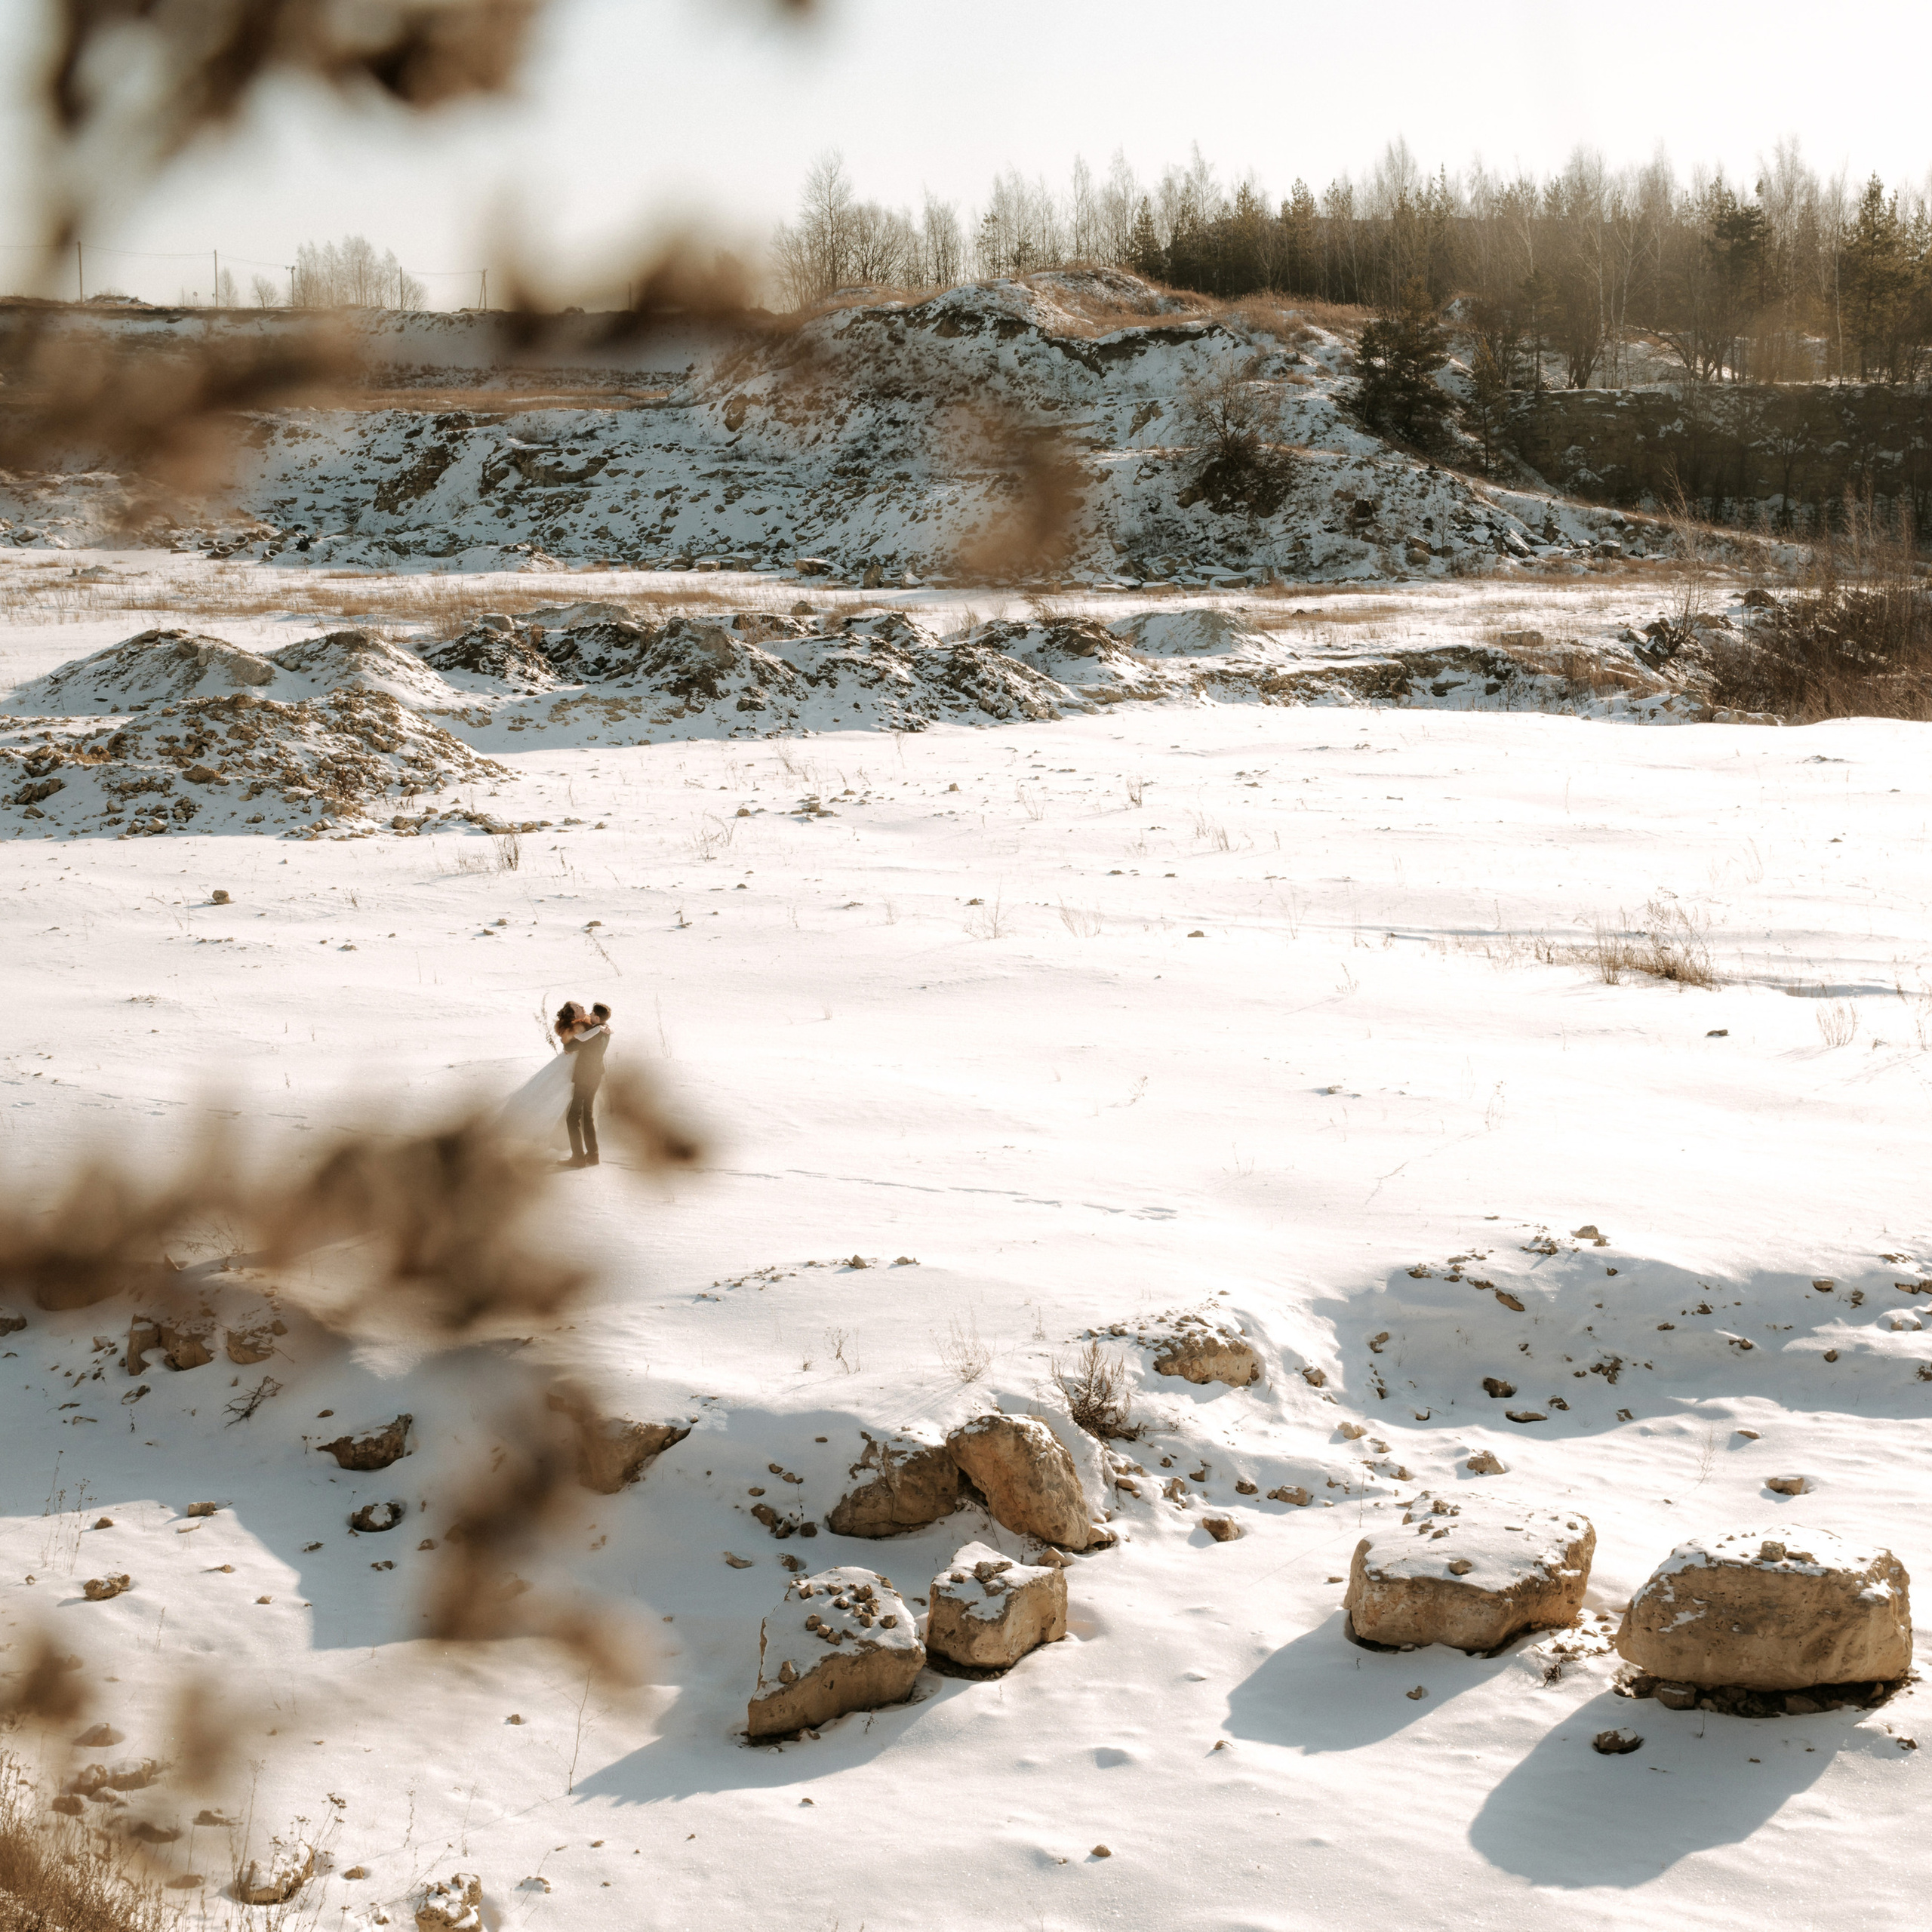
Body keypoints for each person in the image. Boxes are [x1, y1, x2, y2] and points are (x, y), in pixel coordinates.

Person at [561, 1001, 611, 1168]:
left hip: (585, 1077)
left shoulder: (594, 1033)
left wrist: (569, 1040)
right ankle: (593, 1155)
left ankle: (578, 1158)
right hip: (596, 1076)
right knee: (587, 1115)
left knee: (572, 1117)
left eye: (592, 1013)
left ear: (597, 1017)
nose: (589, 1014)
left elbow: (569, 1045)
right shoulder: (605, 1031)